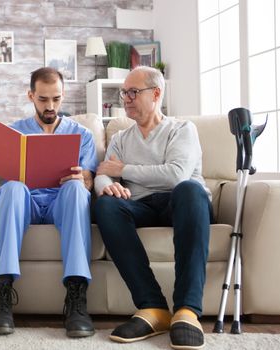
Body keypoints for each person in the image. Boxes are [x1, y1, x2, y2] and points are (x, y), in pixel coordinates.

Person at [0, 67, 98, 338]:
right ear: (31, 95)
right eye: (43, 99)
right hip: (24, 204)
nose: (50, 106)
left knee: (76, 190)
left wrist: (85, 177)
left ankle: (77, 297)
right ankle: (2, 292)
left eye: (56, 98)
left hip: (61, 204)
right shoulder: (12, 133)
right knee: (13, 188)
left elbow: (89, 185)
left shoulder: (83, 136)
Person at [93, 66, 212, 350]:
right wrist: (106, 185)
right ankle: (153, 307)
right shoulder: (121, 138)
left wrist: (124, 169)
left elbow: (176, 175)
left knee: (190, 189)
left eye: (133, 92)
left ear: (156, 93)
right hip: (141, 205)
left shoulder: (182, 129)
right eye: (124, 93)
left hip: (182, 202)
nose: (126, 99)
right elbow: (102, 173)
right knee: (106, 206)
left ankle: (187, 310)